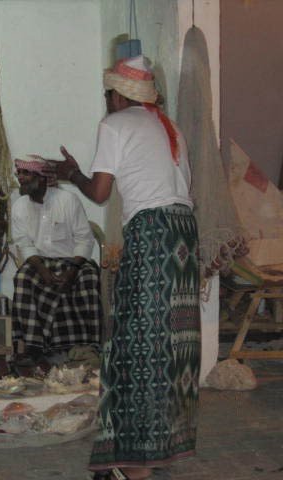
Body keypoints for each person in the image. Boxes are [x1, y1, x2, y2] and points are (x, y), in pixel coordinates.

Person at [50, 56, 200, 480]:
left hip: (153, 234)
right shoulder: (169, 128)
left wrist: (72, 173)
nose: (106, 102)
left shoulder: (114, 124)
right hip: (184, 234)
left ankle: (134, 465)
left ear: (117, 95)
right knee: (172, 346)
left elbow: (99, 193)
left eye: (107, 95)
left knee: (135, 346)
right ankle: (155, 447)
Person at [11, 155, 101, 365]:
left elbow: (84, 239)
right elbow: (24, 244)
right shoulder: (20, 206)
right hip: (39, 262)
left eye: (26, 173)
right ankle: (33, 347)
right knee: (23, 278)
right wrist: (42, 270)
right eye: (19, 173)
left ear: (42, 178)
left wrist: (71, 271)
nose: (21, 178)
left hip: (73, 260)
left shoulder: (67, 200)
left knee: (88, 278)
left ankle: (89, 345)